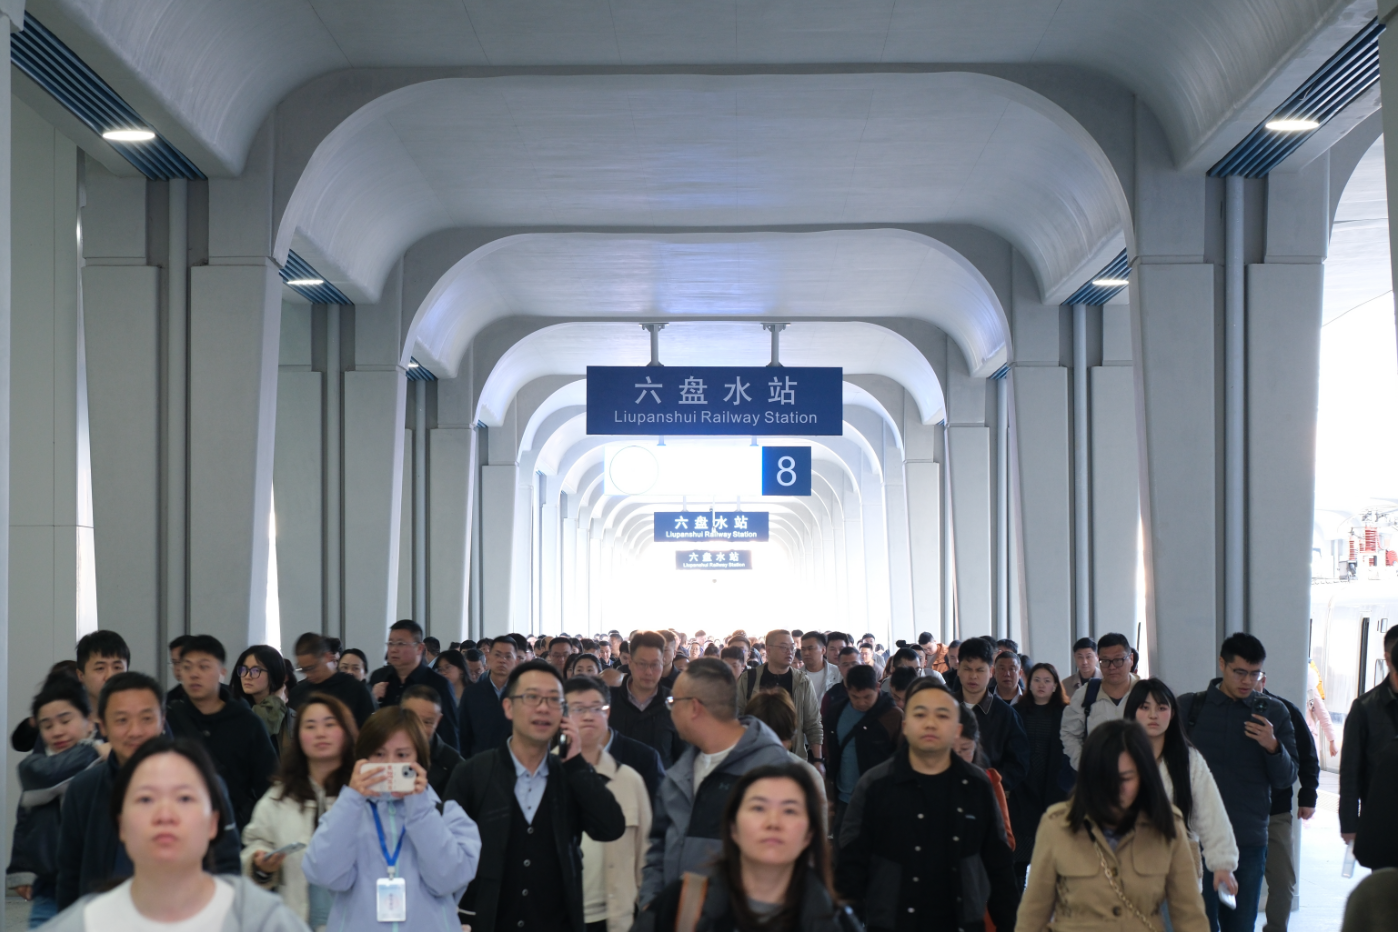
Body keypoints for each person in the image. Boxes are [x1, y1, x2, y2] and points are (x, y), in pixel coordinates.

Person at [40, 738, 305, 932]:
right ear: (121, 825)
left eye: (184, 798)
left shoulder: (264, 921)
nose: (165, 815)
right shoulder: (83, 924)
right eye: (146, 799)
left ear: (213, 823)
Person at [443, 660, 625, 932]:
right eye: (532, 697)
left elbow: (610, 828)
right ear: (508, 707)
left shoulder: (570, 775)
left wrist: (577, 764)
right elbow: (446, 854)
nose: (543, 708)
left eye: (553, 700)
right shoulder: (472, 773)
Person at [836, 679, 1018, 932]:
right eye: (920, 714)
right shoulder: (875, 784)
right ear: (906, 726)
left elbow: (999, 866)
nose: (930, 723)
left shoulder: (977, 785)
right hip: (892, 924)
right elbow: (850, 869)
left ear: (956, 729)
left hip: (963, 923)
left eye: (942, 715)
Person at [56, 673, 242, 909]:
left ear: (162, 721)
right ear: (103, 725)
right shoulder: (83, 789)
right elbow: (69, 877)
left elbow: (227, 867)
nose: (135, 731)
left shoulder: (203, 785)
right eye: (122, 720)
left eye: (146, 718)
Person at [1016, 719, 1209, 932]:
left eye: (1126, 778)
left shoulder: (1168, 826)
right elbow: (1032, 916)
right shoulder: (1057, 826)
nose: (1114, 790)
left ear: (1144, 777)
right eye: (1104, 779)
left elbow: (1190, 916)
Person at [302, 706, 481, 932]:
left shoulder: (446, 814)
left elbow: (449, 880)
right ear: (363, 759)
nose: (390, 764)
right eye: (379, 754)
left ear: (420, 758)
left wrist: (419, 810)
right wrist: (352, 799)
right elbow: (324, 874)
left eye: (402, 755)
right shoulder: (345, 813)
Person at [640, 657, 791, 905]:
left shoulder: (769, 769)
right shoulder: (683, 770)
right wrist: (652, 904)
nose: (670, 711)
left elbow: (779, 867)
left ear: (694, 707)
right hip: (678, 915)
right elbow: (658, 847)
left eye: (672, 702)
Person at [636, 764, 857, 932]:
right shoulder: (682, 904)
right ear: (732, 827)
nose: (773, 822)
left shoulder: (837, 923)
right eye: (758, 808)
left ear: (809, 834)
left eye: (789, 811)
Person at [1177, 633, 1299, 932]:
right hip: (1197, 839)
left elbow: (1286, 778)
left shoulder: (1274, 712)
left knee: (1242, 925)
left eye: (1255, 674)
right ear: (1222, 664)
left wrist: (1273, 746)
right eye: (1239, 672)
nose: (1247, 681)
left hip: (1248, 839)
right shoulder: (1190, 708)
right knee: (1197, 925)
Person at [241, 694, 358, 929]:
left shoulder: (362, 793)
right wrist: (261, 866)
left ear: (346, 731)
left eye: (329, 724)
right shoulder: (280, 796)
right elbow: (255, 843)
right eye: (310, 726)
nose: (320, 733)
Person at [1123, 679, 1238, 901]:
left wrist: (1223, 863)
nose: (1153, 715)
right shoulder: (1115, 757)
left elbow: (1211, 813)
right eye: (1144, 707)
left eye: (1161, 708)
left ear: (1173, 713)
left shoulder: (1189, 760)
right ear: (1132, 712)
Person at [563, 675, 653, 932]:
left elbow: (646, 854)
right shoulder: (543, 775)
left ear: (608, 713)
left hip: (614, 918)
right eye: (578, 709)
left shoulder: (629, 780)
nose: (588, 716)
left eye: (597, 708)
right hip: (555, 916)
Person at [9, 678, 100, 928]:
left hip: (98, 885)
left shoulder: (108, 762)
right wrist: (20, 870)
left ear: (89, 721)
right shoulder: (36, 766)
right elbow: (25, 822)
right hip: (50, 887)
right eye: (47, 725)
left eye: (65, 721)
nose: (57, 731)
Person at [166, 636, 279, 831]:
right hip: (181, 829)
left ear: (222, 673)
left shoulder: (247, 723)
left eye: (204, 667)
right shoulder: (168, 720)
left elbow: (269, 785)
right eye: (187, 667)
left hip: (236, 830)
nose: (194, 674)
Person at [1254, 671, 1319, 932]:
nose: (1247, 682)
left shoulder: (1284, 711)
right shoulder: (1224, 713)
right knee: (1235, 880)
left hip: (1276, 810)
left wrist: (1308, 796)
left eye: (1254, 675)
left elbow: (1307, 754)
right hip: (1233, 811)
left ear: (1264, 679)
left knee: (1283, 881)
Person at [1340, 625, 1398, 870]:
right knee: (1386, 887)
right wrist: (1349, 824)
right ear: (1388, 658)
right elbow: (1350, 771)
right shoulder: (1365, 708)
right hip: (1382, 821)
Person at [1008, 662, 1069, 892]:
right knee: (1020, 852)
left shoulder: (1065, 713)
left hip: (1054, 784)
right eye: (1037, 680)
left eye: (1047, 681)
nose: (1041, 685)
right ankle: (1017, 905)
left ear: (1055, 686)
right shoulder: (1016, 711)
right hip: (1023, 785)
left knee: (1054, 855)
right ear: (1028, 683)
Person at [823, 665, 900, 837]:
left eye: (867, 697)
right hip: (844, 798)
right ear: (847, 691)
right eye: (855, 697)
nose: (861, 702)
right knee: (842, 846)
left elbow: (902, 758)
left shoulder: (893, 716)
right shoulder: (836, 712)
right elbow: (832, 752)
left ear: (878, 687)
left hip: (879, 800)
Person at [368, 620, 460, 751]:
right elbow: (368, 726)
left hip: (426, 755)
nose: (393, 649)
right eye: (390, 643)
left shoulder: (439, 684)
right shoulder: (378, 677)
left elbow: (449, 734)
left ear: (420, 648)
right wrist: (372, 699)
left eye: (400, 643)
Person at [735, 630, 824, 765]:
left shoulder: (802, 681)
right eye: (784, 647)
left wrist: (818, 760)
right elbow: (738, 719)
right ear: (768, 650)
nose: (790, 652)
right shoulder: (749, 679)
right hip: (755, 757)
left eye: (792, 647)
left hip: (792, 758)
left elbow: (813, 723)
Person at [951, 636, 1028, 791]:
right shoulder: (944, 709)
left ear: (991, 671)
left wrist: (988, 782)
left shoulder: (1006, 715)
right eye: (967, 669)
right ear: (958, 669)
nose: (973, 676)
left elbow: (1018, 763)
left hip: (988, 794)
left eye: (980, 670)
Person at [744, 688, 828, 828]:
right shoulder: (808, 775)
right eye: (765, 738)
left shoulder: (809, 776)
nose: (771, 746)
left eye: (778, 738)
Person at [1060, 631, 1139, 770]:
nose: (1112, 667)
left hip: (1139, 773)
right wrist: (1083, 763)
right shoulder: (1086, 694)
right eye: (1105, 661)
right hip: (1097, 775)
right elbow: (1069, 733)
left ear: (1131, 659)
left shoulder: (1145, 693)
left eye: (1118, 660)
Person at [609, 631, 686, 769]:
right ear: (630, 663)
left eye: (655, 664)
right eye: (642, 664)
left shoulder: (676, 704)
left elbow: (684, 759)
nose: (648, 672)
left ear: (663, 662)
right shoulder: (610, 700)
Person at [288, 634, 376, 727]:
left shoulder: (356, 689)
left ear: (328, 657)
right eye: (304, 669)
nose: (308, 674)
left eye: (312, 668)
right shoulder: (297, 694)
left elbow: (368, 732)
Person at [457, 634, 520, 757]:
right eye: (497, 655)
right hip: (479, 763)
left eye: (508, 656)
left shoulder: (522, 694)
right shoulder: (472, 693)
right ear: (489, 657)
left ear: (516, 660)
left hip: (514, 762)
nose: (502, 660)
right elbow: (463, 736)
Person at [399, 684, 463, 799]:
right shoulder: (380, 755)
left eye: (427, 722)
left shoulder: (455, 765)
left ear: (438, 721)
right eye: (413, 719)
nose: (419, 729)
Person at [231, 645, 294, 754]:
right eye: (244, 669)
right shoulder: (233, 711)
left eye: (256, 670)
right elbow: (250, 736)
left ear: (273, 673)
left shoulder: (292, 718)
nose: (247, 676)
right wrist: (275, 702)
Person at [799, 631, 842, 702]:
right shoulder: (796, 676)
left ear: (823, 650)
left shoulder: (838, 673)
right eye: (803, 649)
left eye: (810, 648)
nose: (806, 653)